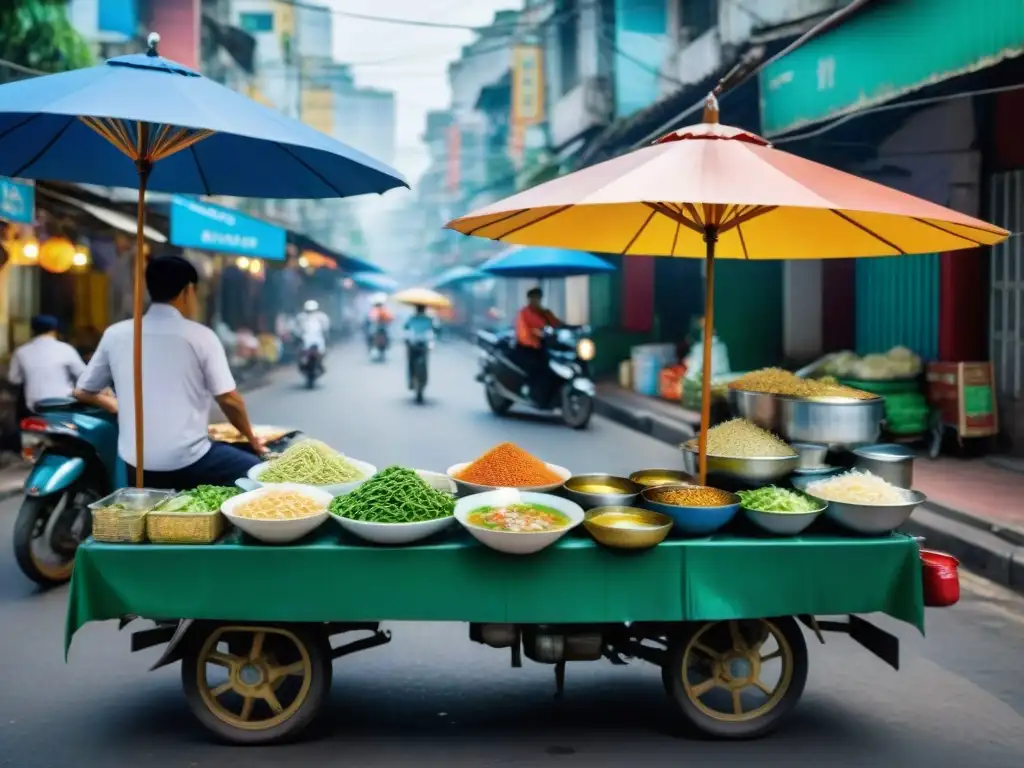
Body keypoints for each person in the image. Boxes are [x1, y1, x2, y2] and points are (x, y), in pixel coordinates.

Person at [74, 255, 266, 489]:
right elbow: (229, 400)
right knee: (258, 471)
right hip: (190, 461)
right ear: (187, 291)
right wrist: (252, 438)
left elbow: (82, 390)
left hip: (136, 464)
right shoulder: (201, 337)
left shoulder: (116, 334)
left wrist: (115, 405)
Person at [8, 315, 98, 413]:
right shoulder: (66, 349)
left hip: (34, 405)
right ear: (54, 330)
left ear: (33, 331)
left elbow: (14, 379)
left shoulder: (21, 351)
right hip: (63, 402)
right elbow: (83, 375)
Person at [403, 305, 437, 389]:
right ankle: (417, 380)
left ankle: (412, 380)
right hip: (422, 343)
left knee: (411, 362)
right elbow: (435, 329)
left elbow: (405, 327)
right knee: (423, 361)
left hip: (415, 343)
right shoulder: (429, 319)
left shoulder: (412, 318)